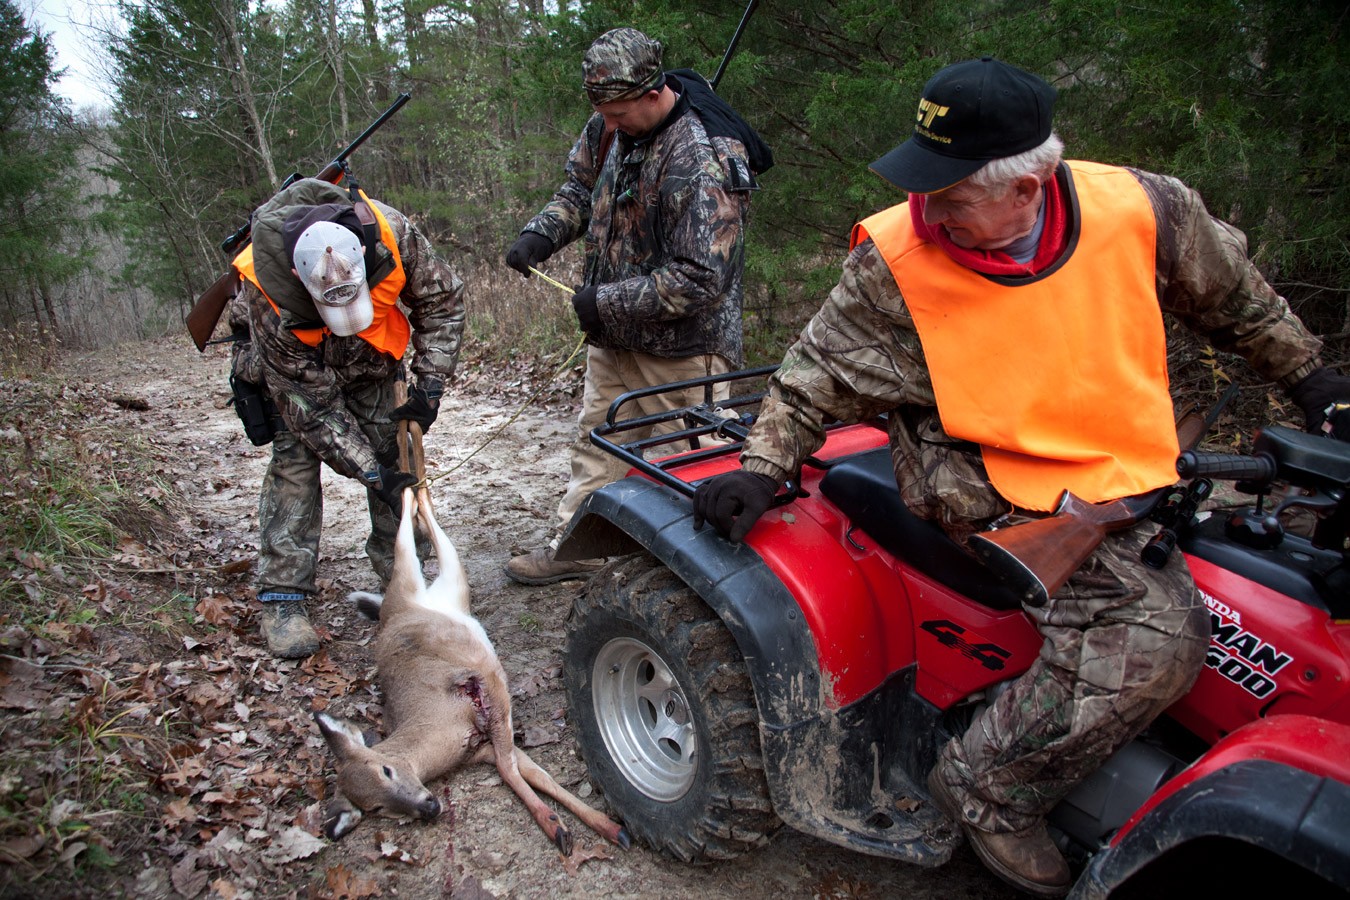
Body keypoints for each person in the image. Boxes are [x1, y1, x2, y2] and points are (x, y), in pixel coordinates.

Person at [692, 57, 1350, 896]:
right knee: (1157, 636)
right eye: (922, 185)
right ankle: (987, 785)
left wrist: (1316, 386)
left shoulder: (1145, 209)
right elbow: (816, 372)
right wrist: (762, 468)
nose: (926, 210)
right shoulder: (900, 255)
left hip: (1121, 462)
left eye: (952, 194)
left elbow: (1238, 302)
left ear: (1030, 186)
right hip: (977, 476)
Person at [502, 26, 766, 585]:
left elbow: (701, 278)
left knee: (696, 464)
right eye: (603, 113)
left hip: (685, 351)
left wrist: (606, 301)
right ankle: (579, 547)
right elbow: (578, 190)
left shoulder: (703, 157)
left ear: (653, 92)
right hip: (616, 339)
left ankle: (717, 579)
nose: (610, 126)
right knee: (599, 441)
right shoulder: (607, 122)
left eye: (620, 114)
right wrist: (541, 235)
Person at [228, 176, 465, 659]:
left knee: (396, 459)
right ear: (299, 279)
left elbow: (443, 302)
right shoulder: (264, 292)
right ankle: (283, 598)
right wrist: (370, 472)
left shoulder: (392, 230)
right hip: (298, 376)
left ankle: (405, 582)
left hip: (375, 362)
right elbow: (311, 409)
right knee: (295, 463)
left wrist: (431, 385)